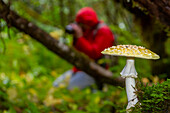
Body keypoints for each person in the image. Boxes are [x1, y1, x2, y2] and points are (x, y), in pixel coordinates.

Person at [53, 7, 115, 90]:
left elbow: (95, 54)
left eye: (81, 24)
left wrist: (80, 37)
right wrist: (76, 38)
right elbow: (76, 51)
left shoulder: (104, 31)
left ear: (88, 23)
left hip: (96, 71)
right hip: (80, 68)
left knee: (68, 89)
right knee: (56, 85)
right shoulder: (86, 30)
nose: (80, 26)